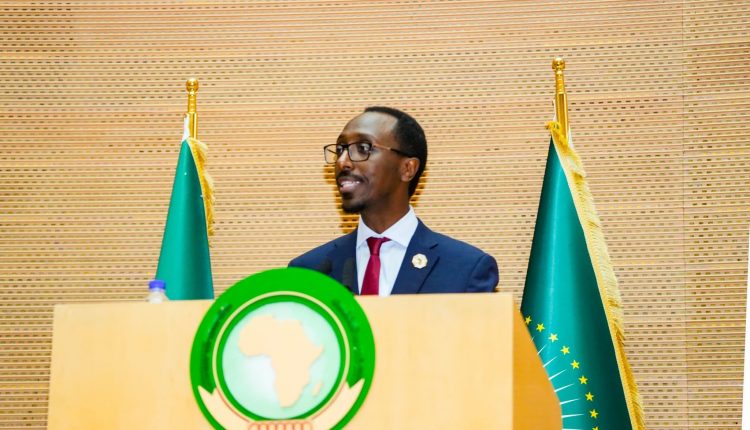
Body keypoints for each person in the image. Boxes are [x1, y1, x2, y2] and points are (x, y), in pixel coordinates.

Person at [289, 106, 498, 295]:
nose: (343, 162)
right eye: (340, 150)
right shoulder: (309, 272)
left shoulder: (465, 269)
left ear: (407, 168)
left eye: (363, 148)